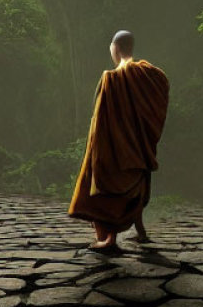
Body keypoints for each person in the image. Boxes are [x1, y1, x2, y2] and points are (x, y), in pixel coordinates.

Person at [68, 30, 170, 252]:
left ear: (115, 47)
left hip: (115, 146)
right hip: (138, 145)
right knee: (137, 185)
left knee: (108, 186)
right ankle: (141, 232)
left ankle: (110, 239)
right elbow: (159, 95)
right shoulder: (149, 74)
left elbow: (103, 119)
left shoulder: (112, 78)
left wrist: (98, 148)